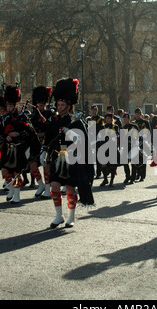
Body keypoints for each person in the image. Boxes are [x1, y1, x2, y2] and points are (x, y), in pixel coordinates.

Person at [45, 78, 94, 228]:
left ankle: (71, 217)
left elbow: (83, 140)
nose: (59, 107)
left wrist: (71, 134)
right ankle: (59, 215)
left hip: (72, 158)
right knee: (54, 186)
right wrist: (44, 152)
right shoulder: (54, 120)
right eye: (58, 104)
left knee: (70, 188)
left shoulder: (76, 121)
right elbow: (49, 139)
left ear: (69, 105)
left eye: (62, 105)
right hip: (57, 157)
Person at [0, 85, 37, 204]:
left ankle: (17, 194)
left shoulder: (22, 117)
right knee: (5, 171)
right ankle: (11, 189)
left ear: (15, 105)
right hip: (7, 147)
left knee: (16, 173)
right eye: (8, 105)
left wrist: (18, 134)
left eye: (11, 105)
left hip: (19, 148)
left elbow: (30, 132)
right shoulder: (4, 118)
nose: (9, 107)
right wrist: (7, 136)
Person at [29, 85, 53, 199]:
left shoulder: (49, 114)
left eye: (42, 104)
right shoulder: (33, 115)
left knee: (45, 165)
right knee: (32, 165)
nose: (40, 106)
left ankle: (48, 188)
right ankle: (41, 185)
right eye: (38, 104)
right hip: (35, 143)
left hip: (46, 142)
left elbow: (51, 128)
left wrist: (44, 134)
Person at [98, 113, 120, 187]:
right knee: (103, 165)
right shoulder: (102, 127)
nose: (107, 120)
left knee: (113, 165)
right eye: (106, 118)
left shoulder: (115, 126)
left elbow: (117, 134)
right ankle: (105, 179)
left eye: (109, 118)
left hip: (113, 148)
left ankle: (111, 181)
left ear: (112, 119)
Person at [86, 105, 105, 179]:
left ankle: (98, 173)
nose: (94, 111)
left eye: (95, 110)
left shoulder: (100, 119)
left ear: (97, 111)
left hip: (98, 140)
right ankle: (91, 172)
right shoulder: (89, 119)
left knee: (98, 157)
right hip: (91, 139)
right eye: (92, 110)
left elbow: (102, 129)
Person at [132, 108, 151, 182]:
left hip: (144, 142)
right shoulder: (133, 122)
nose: (137, 115)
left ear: (141, 114)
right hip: (135, 143)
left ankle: (143, 176)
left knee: (143, 159)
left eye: (138, 113)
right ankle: (138, 174)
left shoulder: (145, 122)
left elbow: (149, 131)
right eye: (136, 113)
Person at [120, 112, 139, 184]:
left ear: (129, 119)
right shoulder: (122, 127)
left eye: (126, 119)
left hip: (133, 147)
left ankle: (132, 178)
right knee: (125, 163)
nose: (125, 120)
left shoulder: (134, 127)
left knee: (133, 164)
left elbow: (136, 137)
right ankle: (127, 176)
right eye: (124, 119)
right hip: (125, 148)